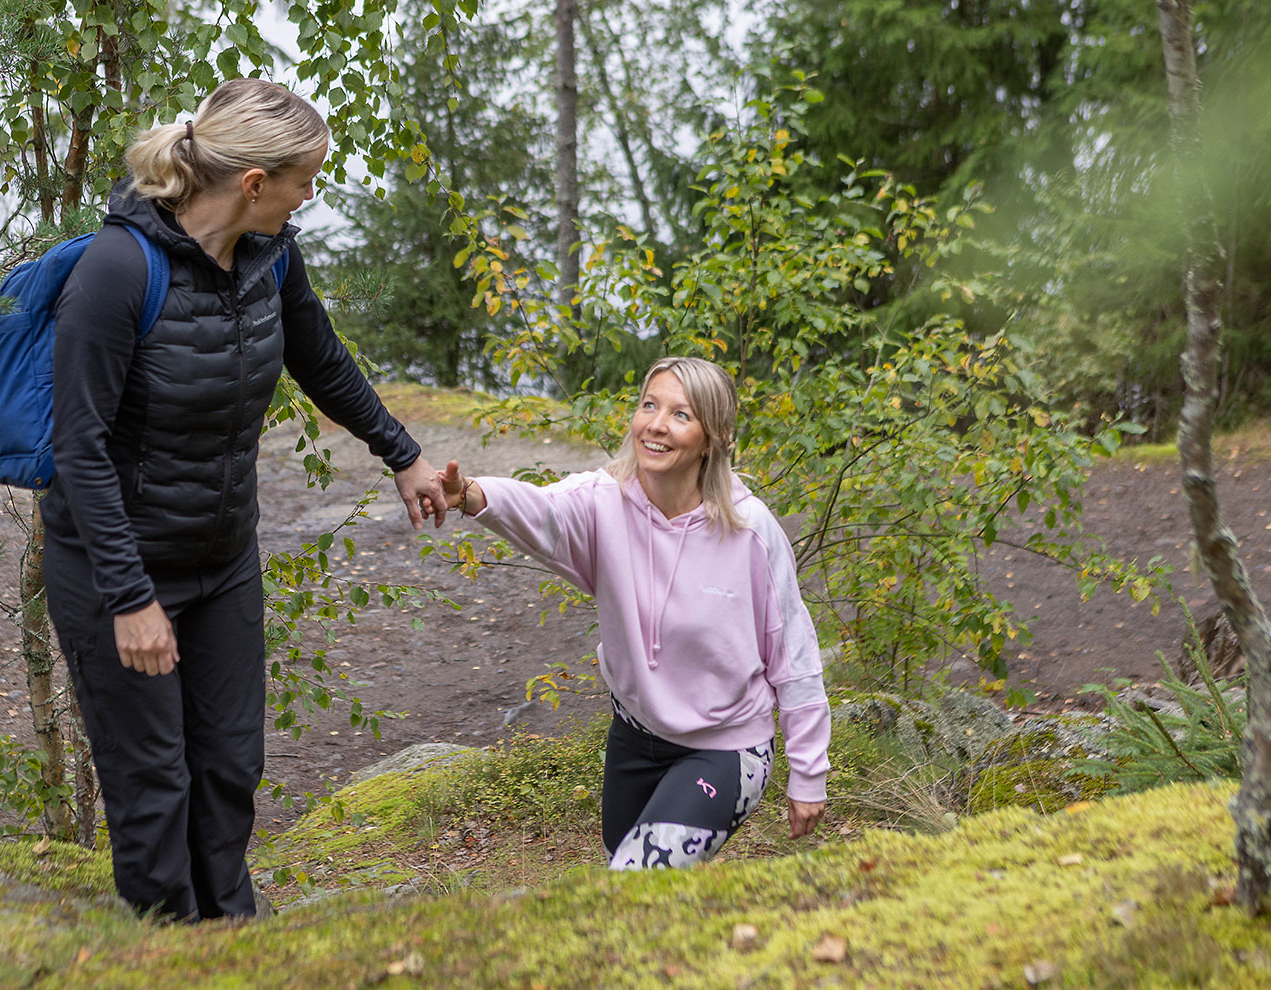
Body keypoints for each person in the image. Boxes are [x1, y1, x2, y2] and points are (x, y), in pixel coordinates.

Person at [41, 78, 447, 920]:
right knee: (153, 785)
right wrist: (129, 600)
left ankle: (233, 939)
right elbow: (75, 448)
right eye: (306, 180)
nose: (312, 195)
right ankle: (169, 951)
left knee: (227, 767)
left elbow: (322, 361)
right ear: (254, 183)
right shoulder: (117, 270)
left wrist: (401, 456)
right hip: (117, 572)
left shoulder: (272, 254)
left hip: (222, 561)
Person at [438, 356, 829, 869]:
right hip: (635, 736)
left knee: (635, 878)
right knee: (632, 894)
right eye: (649, 405)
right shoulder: (603, 502)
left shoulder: (749, 530)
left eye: (681, 414)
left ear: (711, 438)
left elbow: (793, 655)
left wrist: (808, 772)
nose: (657, 424)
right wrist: (469, 495)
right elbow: (541, 510)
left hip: (726, 748)